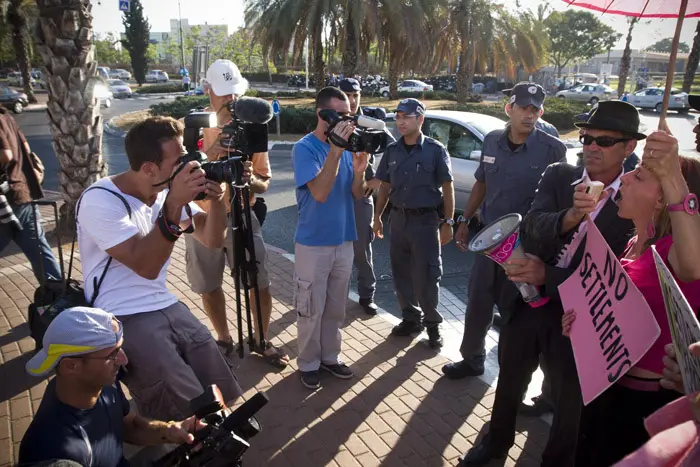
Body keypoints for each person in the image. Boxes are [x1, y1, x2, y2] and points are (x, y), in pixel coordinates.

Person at [459, 101, 642, 467]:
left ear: (628, 148)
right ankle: (495, 443)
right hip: (526, 303)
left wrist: (551, 277)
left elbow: (621, 273)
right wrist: (572, 215)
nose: (591, 146)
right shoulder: (560, 175)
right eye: (587, 137)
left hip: (580, 317)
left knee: (569, 399)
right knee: (509, 378)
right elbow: (532, 225)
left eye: (604, 140)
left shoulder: (636, 195)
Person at [76, 116, 242, 422]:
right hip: (120, 311)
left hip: (162, 301)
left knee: (211, 365)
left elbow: (212, 238)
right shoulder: (101, 200)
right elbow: (146, 266)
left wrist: (217, 201)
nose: (188, 166)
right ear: (149, 168)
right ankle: (181, 439)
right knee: (177, 387)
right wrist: (174, 204)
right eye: (178, 161)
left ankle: (217, 429)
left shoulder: (165, 193)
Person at [562, 128, 700, 466]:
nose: (623, 180)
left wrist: (672, 177)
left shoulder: (675, 252)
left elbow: (692, 267)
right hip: (608, 392)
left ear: (661, 198)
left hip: (643, 407)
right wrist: (582, 323)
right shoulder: (633, 244)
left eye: (637, 177)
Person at [443, 83, 566, 383]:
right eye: (524, 108)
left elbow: (559, 202)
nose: (529, 115)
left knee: (520, 312)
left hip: (527, 246)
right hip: (489, 240)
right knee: (478, 302)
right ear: (509, 109)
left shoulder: (553, 149)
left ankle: (516, 377)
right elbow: (482, 184)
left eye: (535, 109)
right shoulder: (491, 141)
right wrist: (465, 218)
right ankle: (471, 359)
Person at [183, 59, 288, 368]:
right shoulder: (195, 124)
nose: (231, 100)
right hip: (201, 215)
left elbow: (263, 184)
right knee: (208, 283)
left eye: (234, 93)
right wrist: (212, 153)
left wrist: (246, 176)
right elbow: (184, 173)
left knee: (259, 281)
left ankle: (261, 339)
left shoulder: (253, 126)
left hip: (243, 211)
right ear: (207, 91)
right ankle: (224, 338)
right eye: (224, 93)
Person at [19, 307, 205, 466]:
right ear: (70, 366)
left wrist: (170, 431)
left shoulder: (100, 384)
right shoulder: (52, 451)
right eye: (112, 354)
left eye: (120, 348)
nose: (123, 360)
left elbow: (130, 426)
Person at [291, 87, 369, 389]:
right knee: (311, 308)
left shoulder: (348, 150)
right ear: (321, 114)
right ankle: (308, 362)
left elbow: (357, 194)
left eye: (347, 115)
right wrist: (336, 151)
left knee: (335, 308)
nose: (344, 122)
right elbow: (320, 193)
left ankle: (330, 357)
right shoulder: (305, 149)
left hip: (344, 239)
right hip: (313, 243)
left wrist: (359, 171)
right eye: (338, 115)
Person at [373, 98, 454, 349]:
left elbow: (447, 186)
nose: (401, 121)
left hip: (425, 221)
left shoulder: (435, 150)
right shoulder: (392, 151)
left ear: (420, 119)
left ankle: (432, 324)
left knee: (427, 275)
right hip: (398, 219)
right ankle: (411, 318)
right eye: (398, 116)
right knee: (401, 272)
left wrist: (448, 221)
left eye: (406, 117)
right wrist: (377, 217)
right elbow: (385, 186)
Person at [0, 106, 61, 283]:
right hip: (23, 194)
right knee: (40, 252)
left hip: (6, 200)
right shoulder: (7, 117)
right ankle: (57, 297)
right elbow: (26, 148)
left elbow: (6, 154)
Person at [339, 77, 378, 315]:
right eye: (347, 95)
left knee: (362, 250)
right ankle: (336, 294)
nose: (352, 100)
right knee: (334, 250)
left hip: (361, 197)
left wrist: (379, 179)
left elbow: (393, 151)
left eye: (356, 95)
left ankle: (367, 295)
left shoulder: (370, 123)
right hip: (335, 196)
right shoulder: (331, 122)